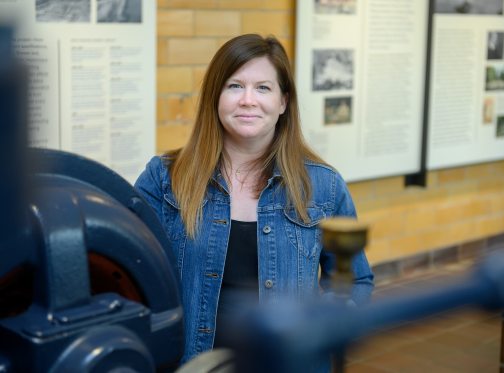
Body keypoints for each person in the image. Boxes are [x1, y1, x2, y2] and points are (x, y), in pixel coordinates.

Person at [134, 33, 374, 367]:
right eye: (234, 86)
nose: (248, 100)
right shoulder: (164, 179)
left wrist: (325, 326)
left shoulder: (323, 186)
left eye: (263, 88)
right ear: (215, 96)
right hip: (193, 364)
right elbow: (135, 277)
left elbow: (355, 280)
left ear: (283, 102)